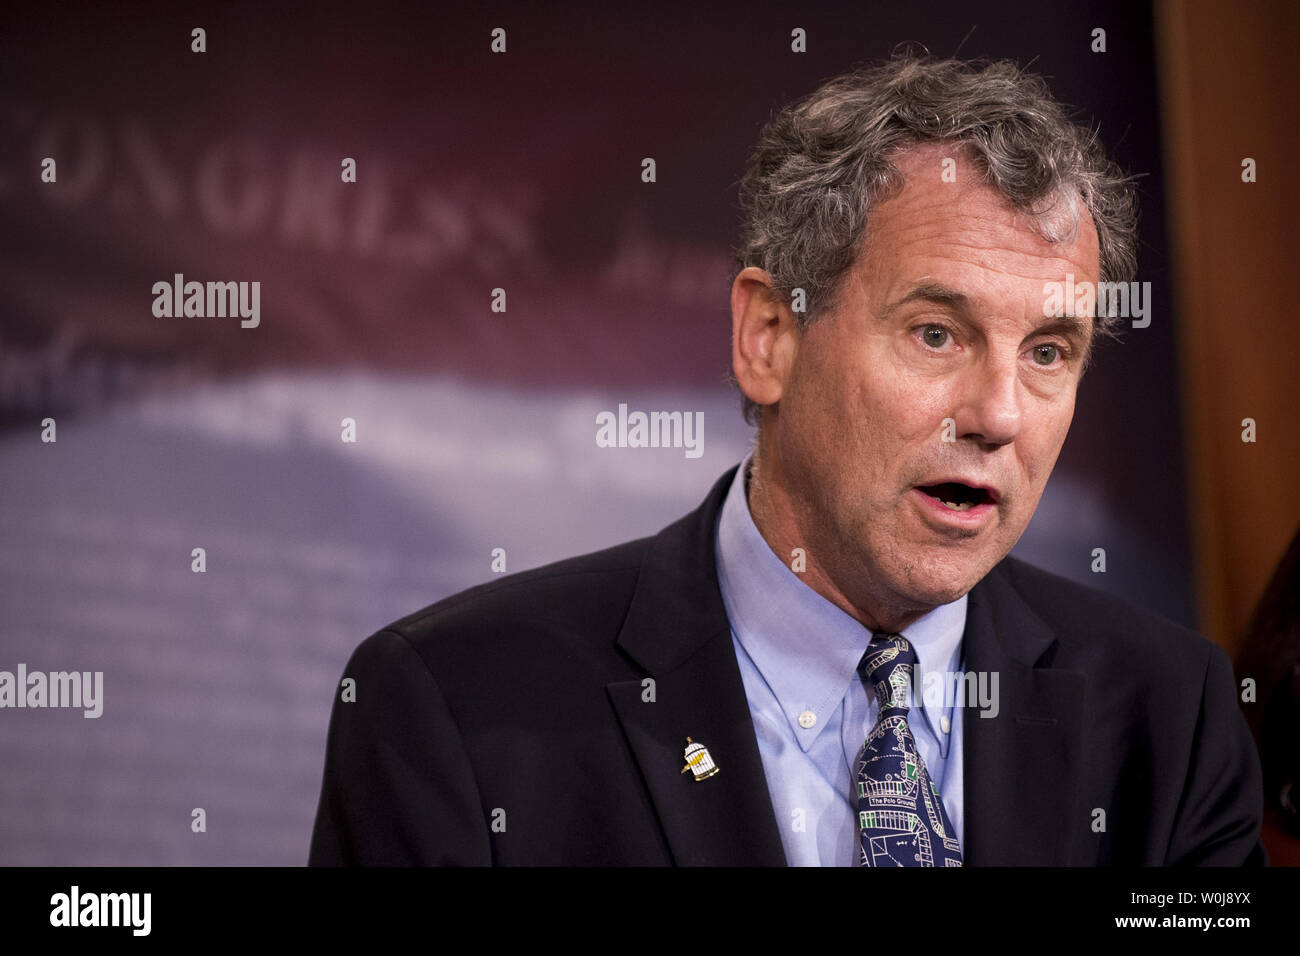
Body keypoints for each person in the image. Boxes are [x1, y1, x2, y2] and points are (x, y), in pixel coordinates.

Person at [308, 54, 1265, 866]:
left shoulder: (1168, 721)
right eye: (937, 333)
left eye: (1049, 352)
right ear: (769, 336)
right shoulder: (455, 709)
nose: (999, 415)